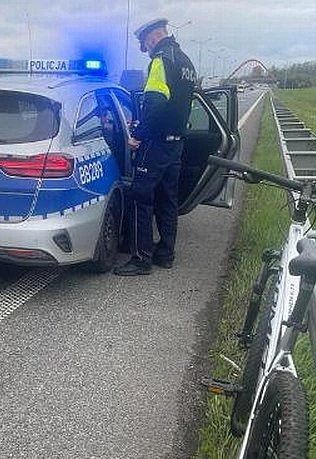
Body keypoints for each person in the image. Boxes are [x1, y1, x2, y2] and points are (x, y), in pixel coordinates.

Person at [113, 17, 197, 276]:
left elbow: (154, 103)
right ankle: (166, 254)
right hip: (176, 144)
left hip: (157, 142)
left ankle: (140, 258)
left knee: (140, 196)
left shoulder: (161, 60)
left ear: (151, 39)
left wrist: (137, 134)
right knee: (167, 199)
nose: (146, 50)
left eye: (145, 45)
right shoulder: (186, 62)